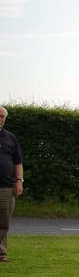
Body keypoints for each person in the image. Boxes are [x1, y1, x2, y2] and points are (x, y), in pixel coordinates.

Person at [0, 106, 24, 263]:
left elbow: (18, 162)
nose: (0, 118)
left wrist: (19, 181)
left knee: (3, 222)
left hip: (6, 187)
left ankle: (0, 253)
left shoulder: (10, 138)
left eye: (2, 116)